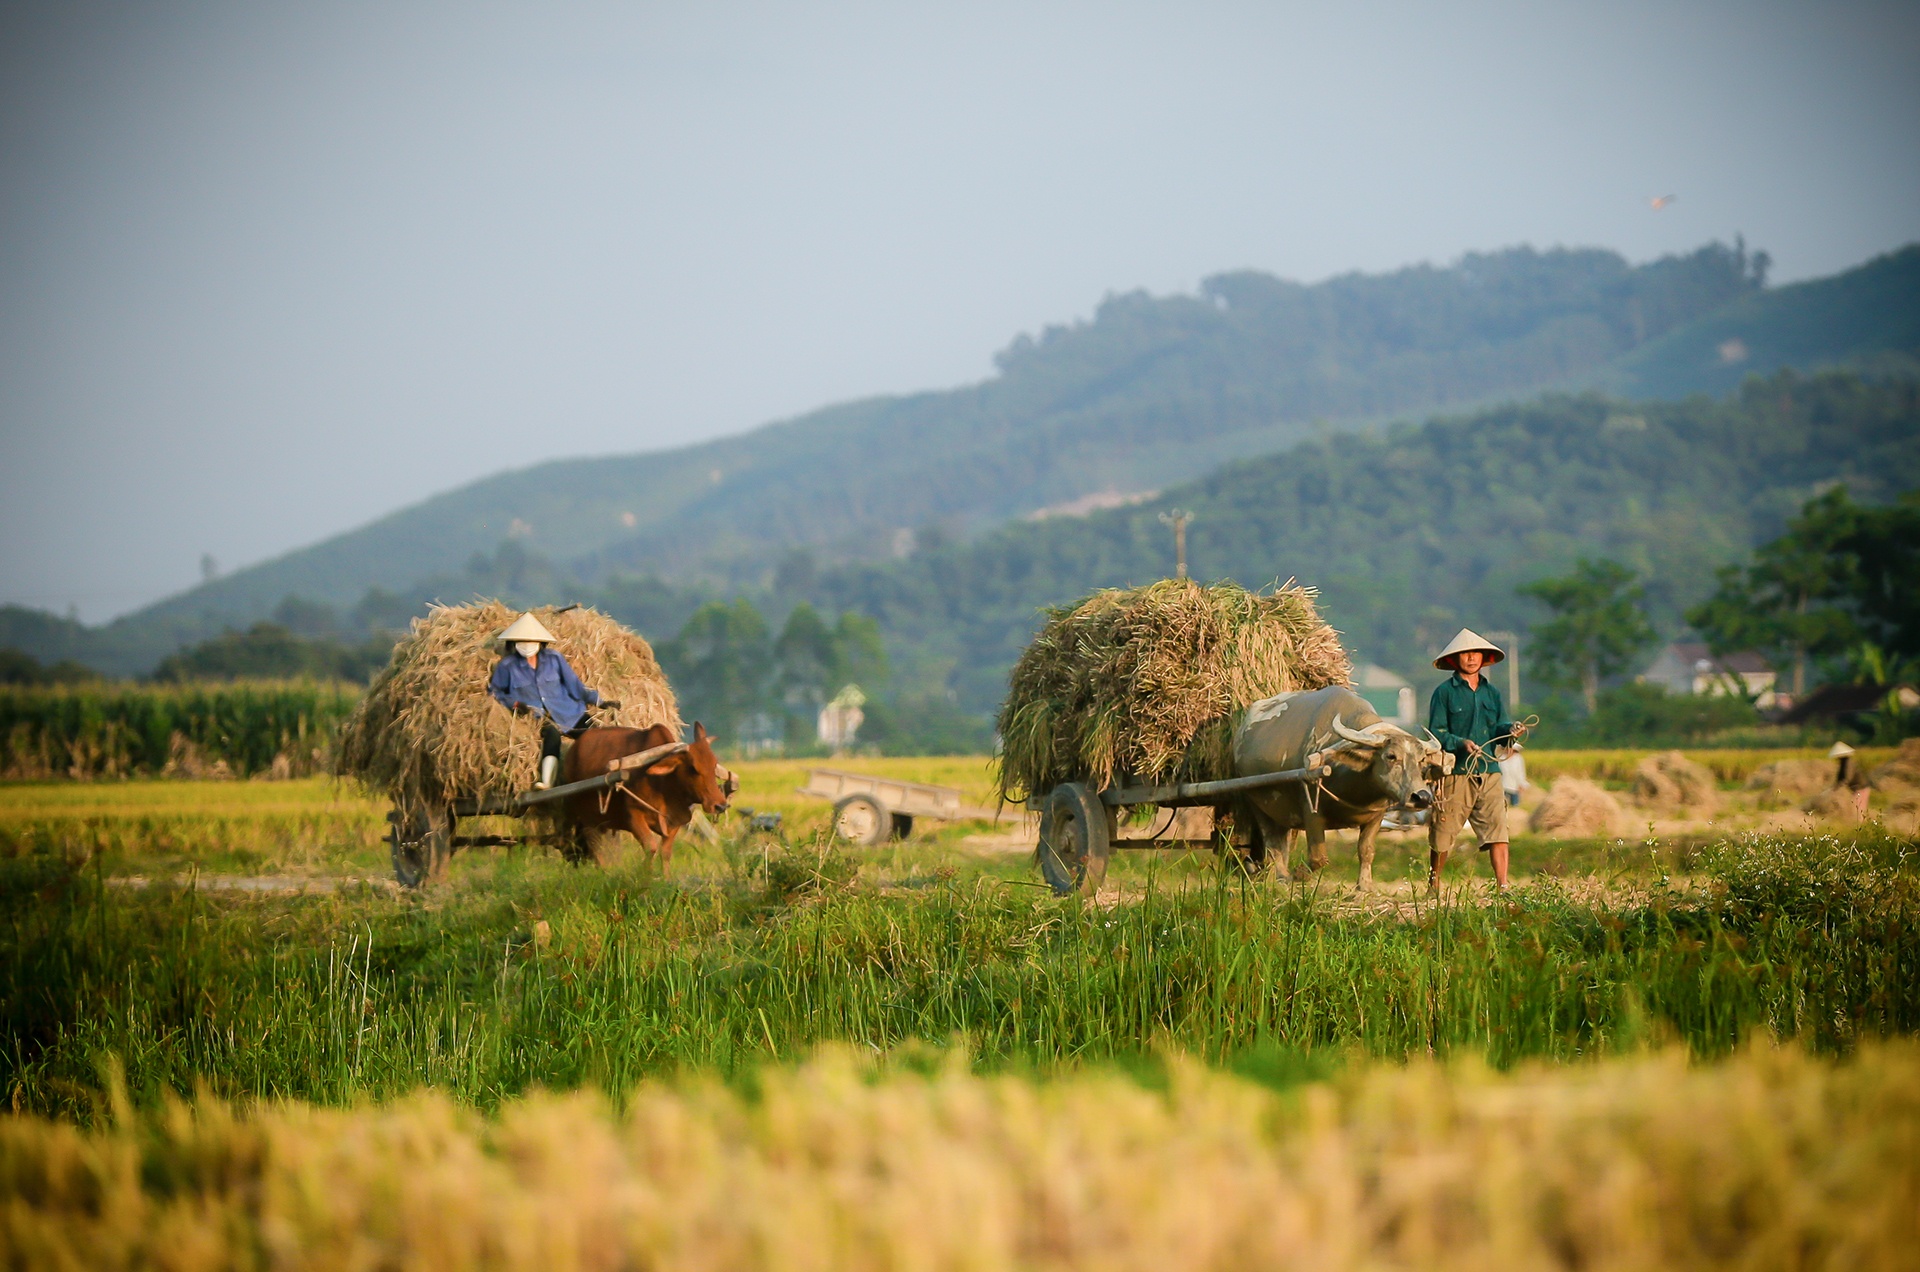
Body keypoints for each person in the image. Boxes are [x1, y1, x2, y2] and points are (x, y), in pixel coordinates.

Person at [1426, 628, 1525, 891]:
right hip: (1456, 772)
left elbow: (1500, 726)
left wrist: (1511, 730)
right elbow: (1436, 731)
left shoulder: (1491, 693)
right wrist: (1461, 743)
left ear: (1483, 658)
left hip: (1490, 770)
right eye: (1465, 654)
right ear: (1455, 659)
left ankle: (1503, 885)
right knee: (1443, 832)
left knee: (1498, 831)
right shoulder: (1444, 693)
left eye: (1475, 653)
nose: (1471, 658)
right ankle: (1434, 885)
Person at [487, 613, 616, 789]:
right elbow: (495, 691)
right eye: (521, 641)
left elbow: (575, 686)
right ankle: (547, 781)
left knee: (594, 735)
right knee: (552, 736)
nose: (527, 646)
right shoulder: (507, 666)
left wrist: (599, 701)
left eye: (531, 641)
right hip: (536, 716)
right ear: (514, 643)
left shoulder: (554, 659)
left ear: (541, 643)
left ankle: (603, 772)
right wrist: (515, 704)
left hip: (567, 711)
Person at [1829, 741, 1872, 818]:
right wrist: (1834, 788)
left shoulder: (1848, 764)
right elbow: (1839, 778)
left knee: (1858, 809)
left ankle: (1860, 826)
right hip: (1855, 789)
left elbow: (1847, 778)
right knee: (1855, 808)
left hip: (1861, 788)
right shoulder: (1843, 764)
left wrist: (1839, 787)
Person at [1499, 743, 1529, 809]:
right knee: (1503, 806)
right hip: (1503, 785)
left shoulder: (1518, 759)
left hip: (1515, 786)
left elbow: (1520, 772)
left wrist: (1521, 784)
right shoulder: (1501, 758)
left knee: (1515, 805)